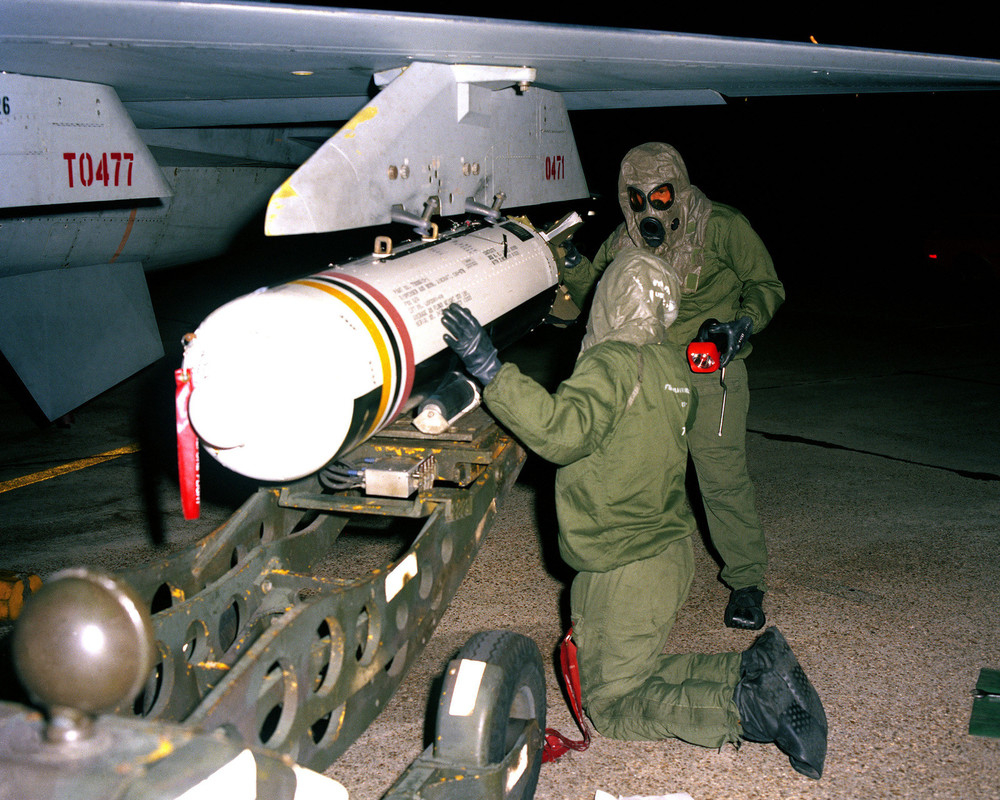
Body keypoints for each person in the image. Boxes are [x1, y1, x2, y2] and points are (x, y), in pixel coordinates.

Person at [440, 249, 826, 779]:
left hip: (626, 562)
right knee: (626, 670)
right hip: (664, 552)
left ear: (614, 298)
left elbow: (561, 433)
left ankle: (751, 707)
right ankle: (755, 667)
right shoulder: (671, 366)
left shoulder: (613, 362)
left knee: (612, 703)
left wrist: (492, 372)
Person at [560, 142, 785, 631]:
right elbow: (594, 295)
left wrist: (742, 324)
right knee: (643, 475)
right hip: (652, 372)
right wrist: (572, 262)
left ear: (678, 190)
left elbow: (767, 285)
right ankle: (646, 573)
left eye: (660, 196)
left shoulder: (722, 226)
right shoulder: (624, 238)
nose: (649, 210)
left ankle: (747, 580)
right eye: (636, 199)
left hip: (710, 368)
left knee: (720, 477)